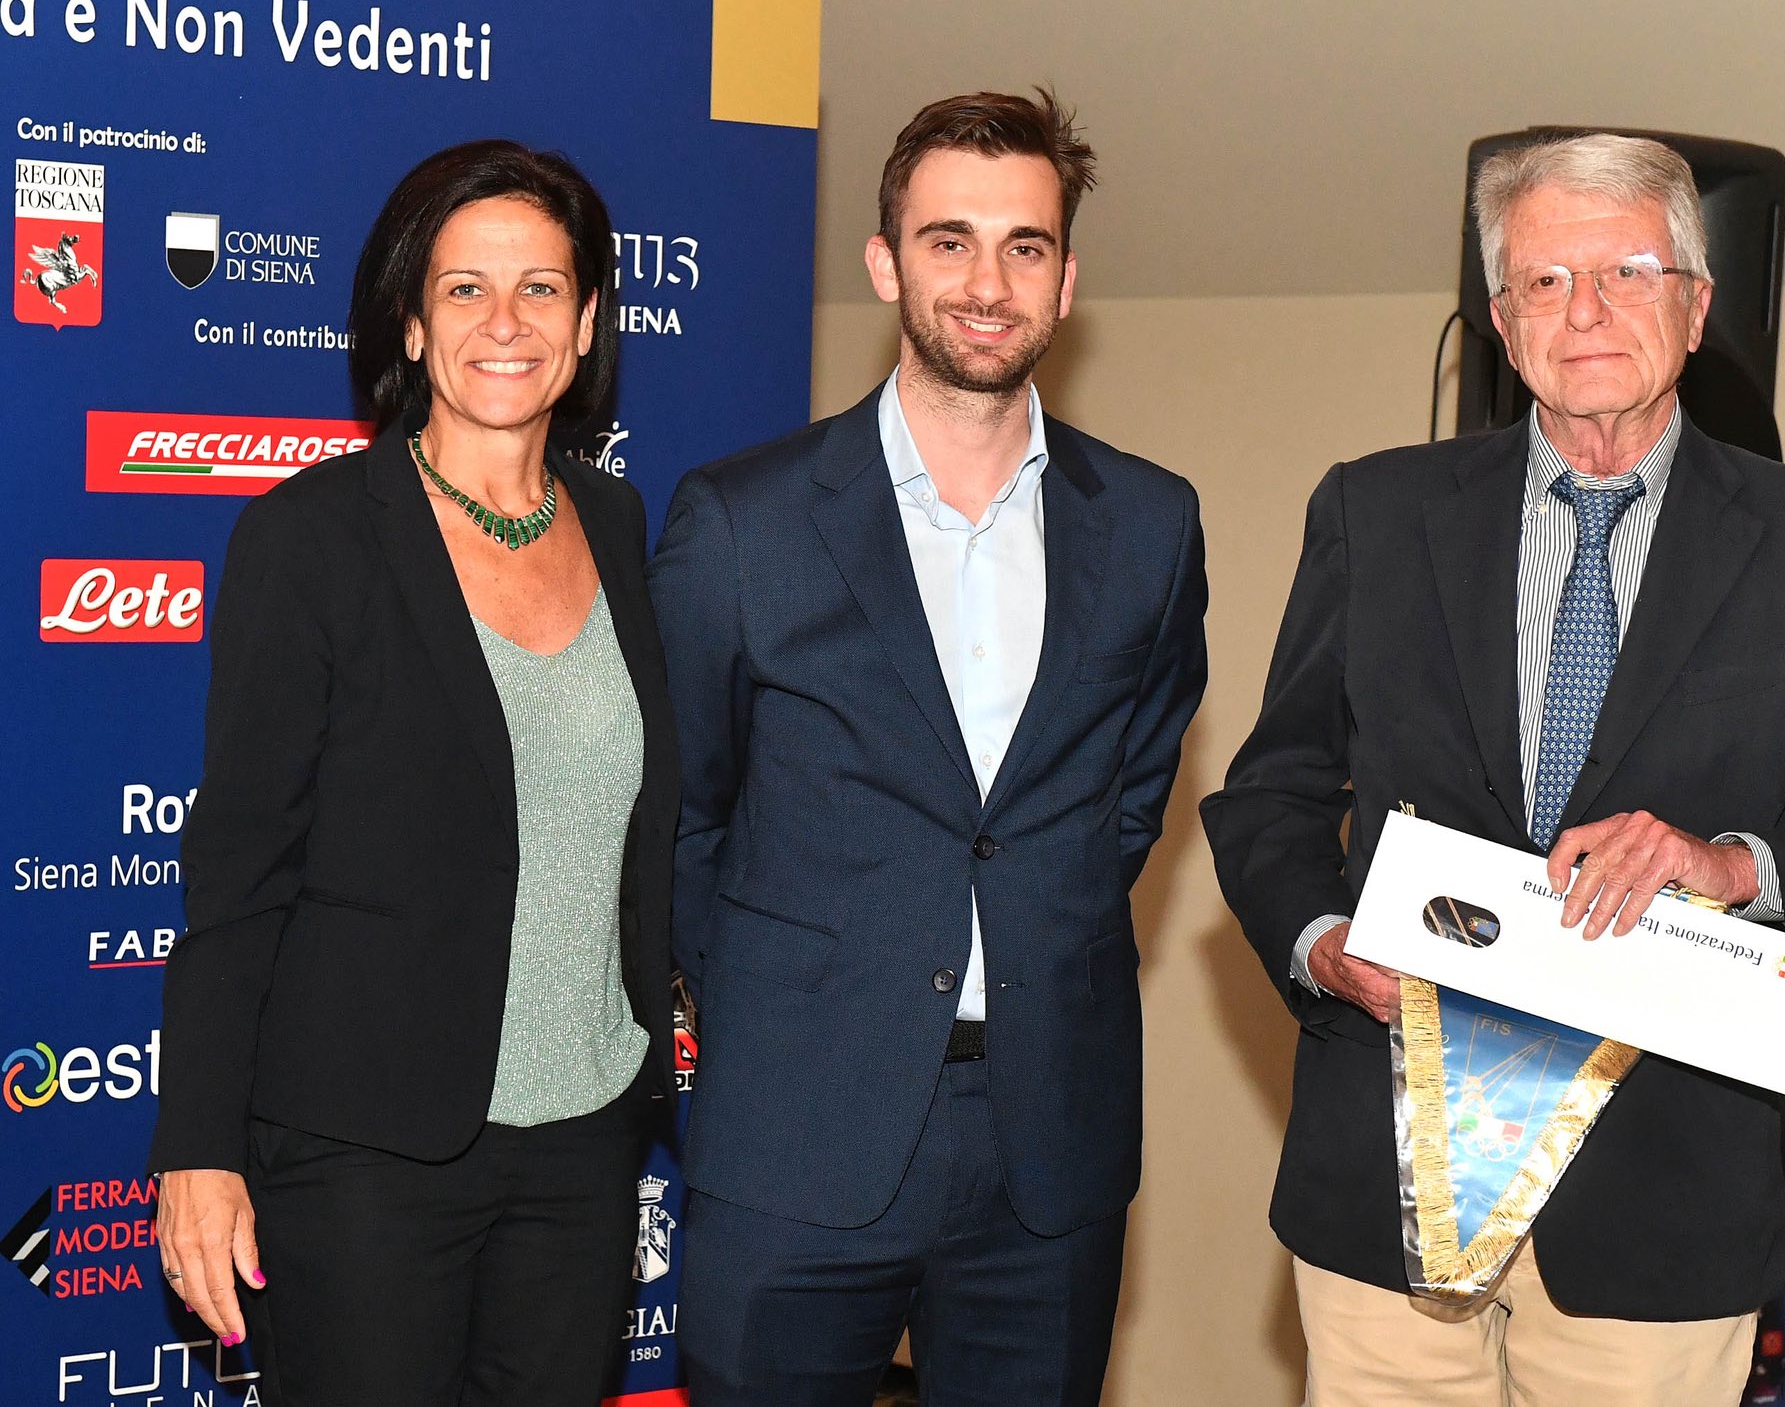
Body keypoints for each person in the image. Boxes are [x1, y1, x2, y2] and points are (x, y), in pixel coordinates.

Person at [1201, 132, 1785, 1407]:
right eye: (1542, 280)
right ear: (1500, 322)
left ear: (1694, 306)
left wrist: (1729, 866)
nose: (1582, 312)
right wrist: (1319, 942)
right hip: (1386, 1188)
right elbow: (1271, 794)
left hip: (1663, 1206)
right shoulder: (1372, 513)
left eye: (1626, 273)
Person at [649, 89, 1207, 1406]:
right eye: (948, 241)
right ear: (885, 263)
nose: (987, 283)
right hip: (794, 1127)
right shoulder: (743, 520)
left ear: (1065, 281)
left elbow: (1127, 798)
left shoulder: (1149, 522)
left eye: (1024, 246)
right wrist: (783, 1008)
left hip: (1047, 1145)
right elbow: (679, 815)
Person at [148, 139, 680, 1406]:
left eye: (541, 288)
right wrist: (197, 1149)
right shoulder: (312, 538)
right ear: (409, 320)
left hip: (584, 1140)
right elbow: (239, 871)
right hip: (363, 1151)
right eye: (464, 289)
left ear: (587, 322)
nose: (505, 322)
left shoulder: (616, 523)